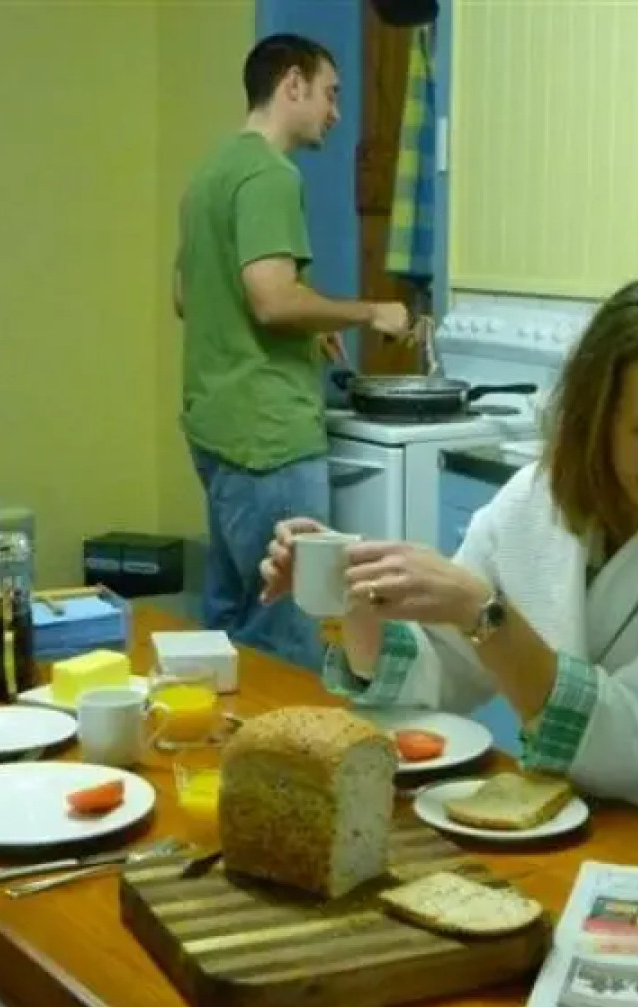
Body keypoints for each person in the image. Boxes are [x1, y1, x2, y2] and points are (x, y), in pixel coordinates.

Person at [261, 275, 638, 869]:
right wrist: (355, 592)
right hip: (570, 835)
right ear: (598, 422)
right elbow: (443, 675)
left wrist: (483, 615)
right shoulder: (539, 499)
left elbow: (630, 741)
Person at [174, 33, 410, 669]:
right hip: (269, 434)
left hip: (215, 426)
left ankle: (224, 757)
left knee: (228, 624)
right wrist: (371, 310)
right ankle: (280, 764)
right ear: (292, 85)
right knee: (286, 633)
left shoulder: (211, 174)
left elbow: (185, 293)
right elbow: (272, 299)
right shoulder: (271, 174)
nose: (336, 112)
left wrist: (307, 320)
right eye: (331, 94)